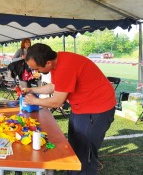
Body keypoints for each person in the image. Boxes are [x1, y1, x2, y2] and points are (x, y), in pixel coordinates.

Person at [22, 43, 116, 175]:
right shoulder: (58, 61)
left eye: (37, 69)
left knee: (85, 153)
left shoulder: (65, 66)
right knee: (74, 148)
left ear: (47, 63)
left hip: (97, 110)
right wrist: (32, 89)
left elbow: (57, 101)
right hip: (81, 107)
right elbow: (55, 86)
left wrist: (34, 100)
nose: (35, 72)